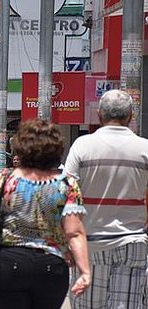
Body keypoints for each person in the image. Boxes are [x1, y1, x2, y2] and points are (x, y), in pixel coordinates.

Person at [0, 119, 91, 309]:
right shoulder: (67, 184)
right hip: (52, 265)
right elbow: (75, 232)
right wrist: (85, 271)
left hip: (10, 263)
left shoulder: (6, 180)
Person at [64, 89, 148, 309]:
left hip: (89, 244)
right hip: (133, 242)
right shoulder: (145, 149)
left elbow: (67, 195)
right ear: (131, 116)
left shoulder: (82, 146)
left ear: (99, 115)